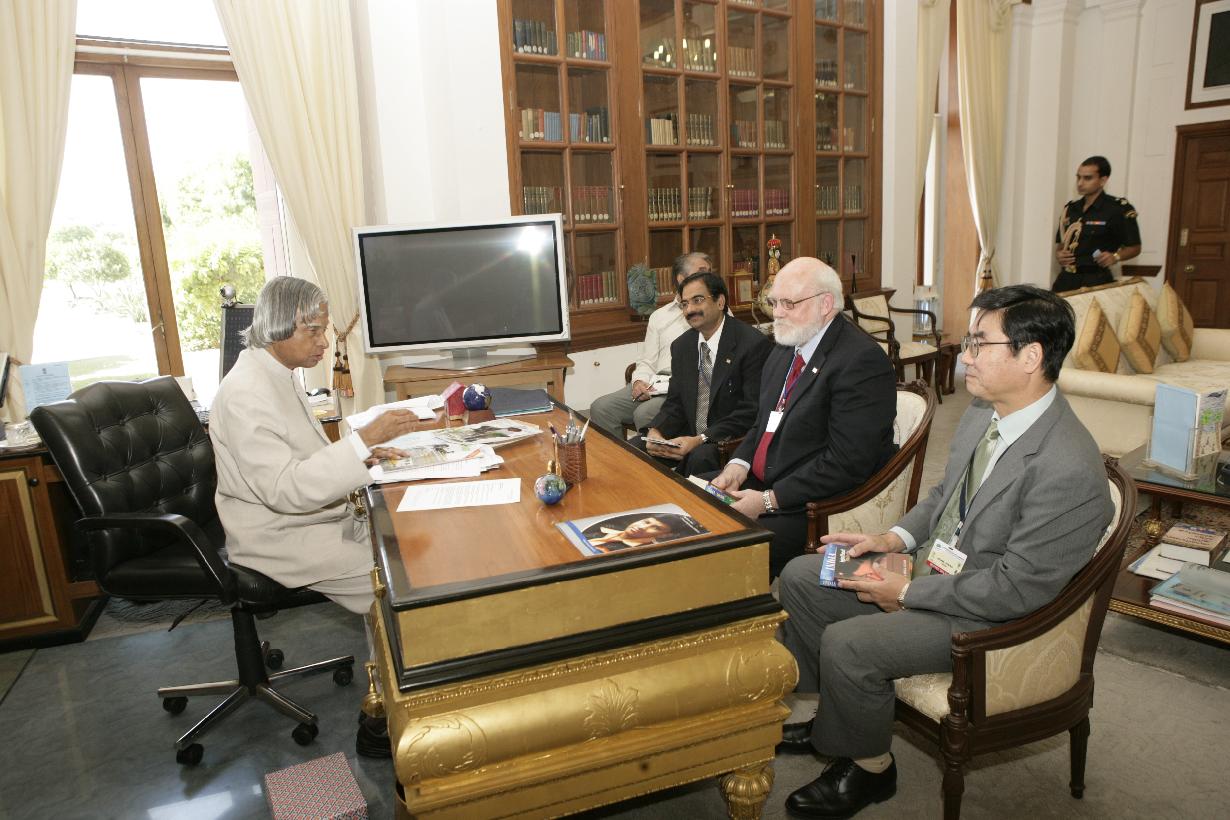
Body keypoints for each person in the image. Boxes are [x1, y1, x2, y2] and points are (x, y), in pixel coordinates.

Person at [775, 284, 1114, 819]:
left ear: (1030, 357)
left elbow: (1015, 590)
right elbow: (943, 494)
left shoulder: (1066, 466)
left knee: (849, 643)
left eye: (980, 343)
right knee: (802, 576)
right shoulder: (983, 413)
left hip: (982, 614)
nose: (965, 355)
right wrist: (892, 540)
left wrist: (908, 592)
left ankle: (870, 769)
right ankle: (840, 719)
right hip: (935, 569)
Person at [209, 276, 419, 759]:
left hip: (310, 520)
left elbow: (300, 462)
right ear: (278, 327)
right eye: (314, 331)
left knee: (403, 554)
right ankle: (383, 722)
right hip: (278, 537)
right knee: (400, 587)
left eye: (323, 329)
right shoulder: (245, 393)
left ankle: (385, 696)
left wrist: (365, 456)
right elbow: (286, 489)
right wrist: (361, 445)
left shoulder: (275, 373)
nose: (324, 342)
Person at [709, 257, 897, 579]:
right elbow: (763, 421)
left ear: (826, 304)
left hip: (816, 505)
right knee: (695, 505)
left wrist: (768, 501)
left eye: (789, 303)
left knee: (721, 553)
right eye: (774, 303)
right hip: (768, 480)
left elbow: (846, 463)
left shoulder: (860, 361)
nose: (777, 313)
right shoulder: (786, 346)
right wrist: (737, 466)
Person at [640, 270, 772, 475]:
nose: (690, 310)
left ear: (720, 302)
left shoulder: (752, 344)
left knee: (698, 458)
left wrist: (701, 439)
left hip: (729, 438)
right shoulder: (682, 346)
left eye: (698, 300)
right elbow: (675, 403)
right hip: (690, 433)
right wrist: (656, 431)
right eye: (684, 304)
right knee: (637, 449)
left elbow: (750, 411)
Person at [588, 252, 712, 436]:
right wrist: (639, 381)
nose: (709, 277)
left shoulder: (715, 312)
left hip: (687, 387)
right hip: (656, 382)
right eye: (702, 272)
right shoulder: (659, 316)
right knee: (601, 408)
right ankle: (622, 455)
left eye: (710, 272)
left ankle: (651, 455)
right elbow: (647, 360)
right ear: (681, 279)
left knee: (644, 413)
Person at [1053, 155, 1141, 292]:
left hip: (1096, 280)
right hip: (1066, 280)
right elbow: (1062, 244)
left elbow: (1135, 247)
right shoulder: (1071, 209)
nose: (1080, 183)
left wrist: (1115, 257)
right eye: (1078, 177)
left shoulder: (1117, 209)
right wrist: (1059, 254)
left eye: (1087, 178)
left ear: (1103, 180)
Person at [581, 511, 704, 552]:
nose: (642, 527)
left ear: (666, 535)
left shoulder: (630, 550)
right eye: (646, 521)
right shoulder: (605, 526)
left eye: (656, 528)